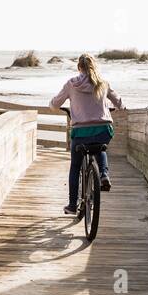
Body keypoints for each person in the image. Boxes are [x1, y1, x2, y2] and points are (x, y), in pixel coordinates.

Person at [50, 53, 123, 214]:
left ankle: (72, 205)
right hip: (103, 130)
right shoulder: (102, 83)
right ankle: (104, 174)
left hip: (81, 132)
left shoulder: (71, 84)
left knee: (75, 166)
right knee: (100, 149)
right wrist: (116, 108)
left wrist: (52, 104)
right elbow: (118, 102)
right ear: (94, 66)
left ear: (79, 67)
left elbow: (56, 103)